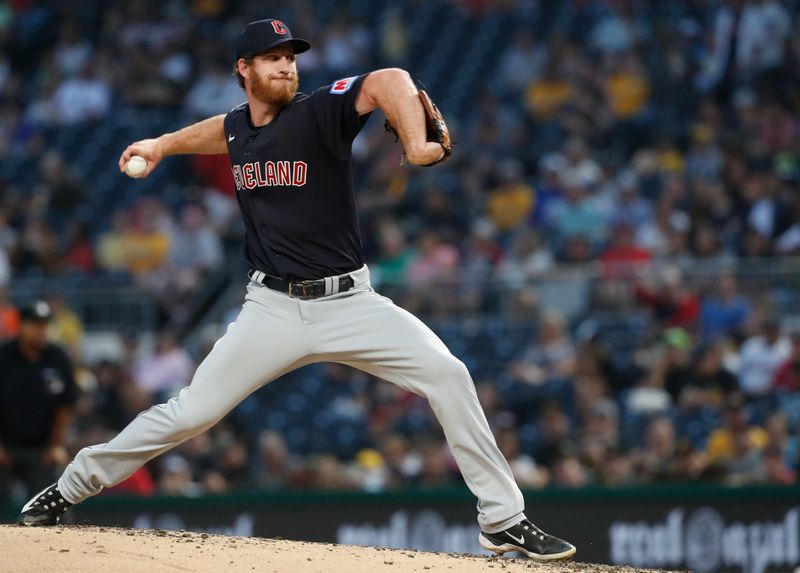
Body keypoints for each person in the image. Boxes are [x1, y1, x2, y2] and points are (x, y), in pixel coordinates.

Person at [18, 19, 575, 561]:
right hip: (273, 309)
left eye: (290, 57)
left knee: (449, 375)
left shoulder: (319, 112)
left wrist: (415, 143)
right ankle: (70, 487)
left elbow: (390, 79)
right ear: (244, 69)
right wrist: (163, 144)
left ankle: (502, 520)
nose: (286, 66)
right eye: (273, 58)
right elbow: (222, 131)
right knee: (191, 413)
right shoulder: (239, 127)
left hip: (351, 303)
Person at [0, 301, 77, 504]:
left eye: (44, 325)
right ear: (22, 326)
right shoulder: (4, 356)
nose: (41, 330)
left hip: (41, 449)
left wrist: (57, 445)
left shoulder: (57, 357)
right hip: (5, 446)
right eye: (35, 325)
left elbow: (66, 405)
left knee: (53, 506)